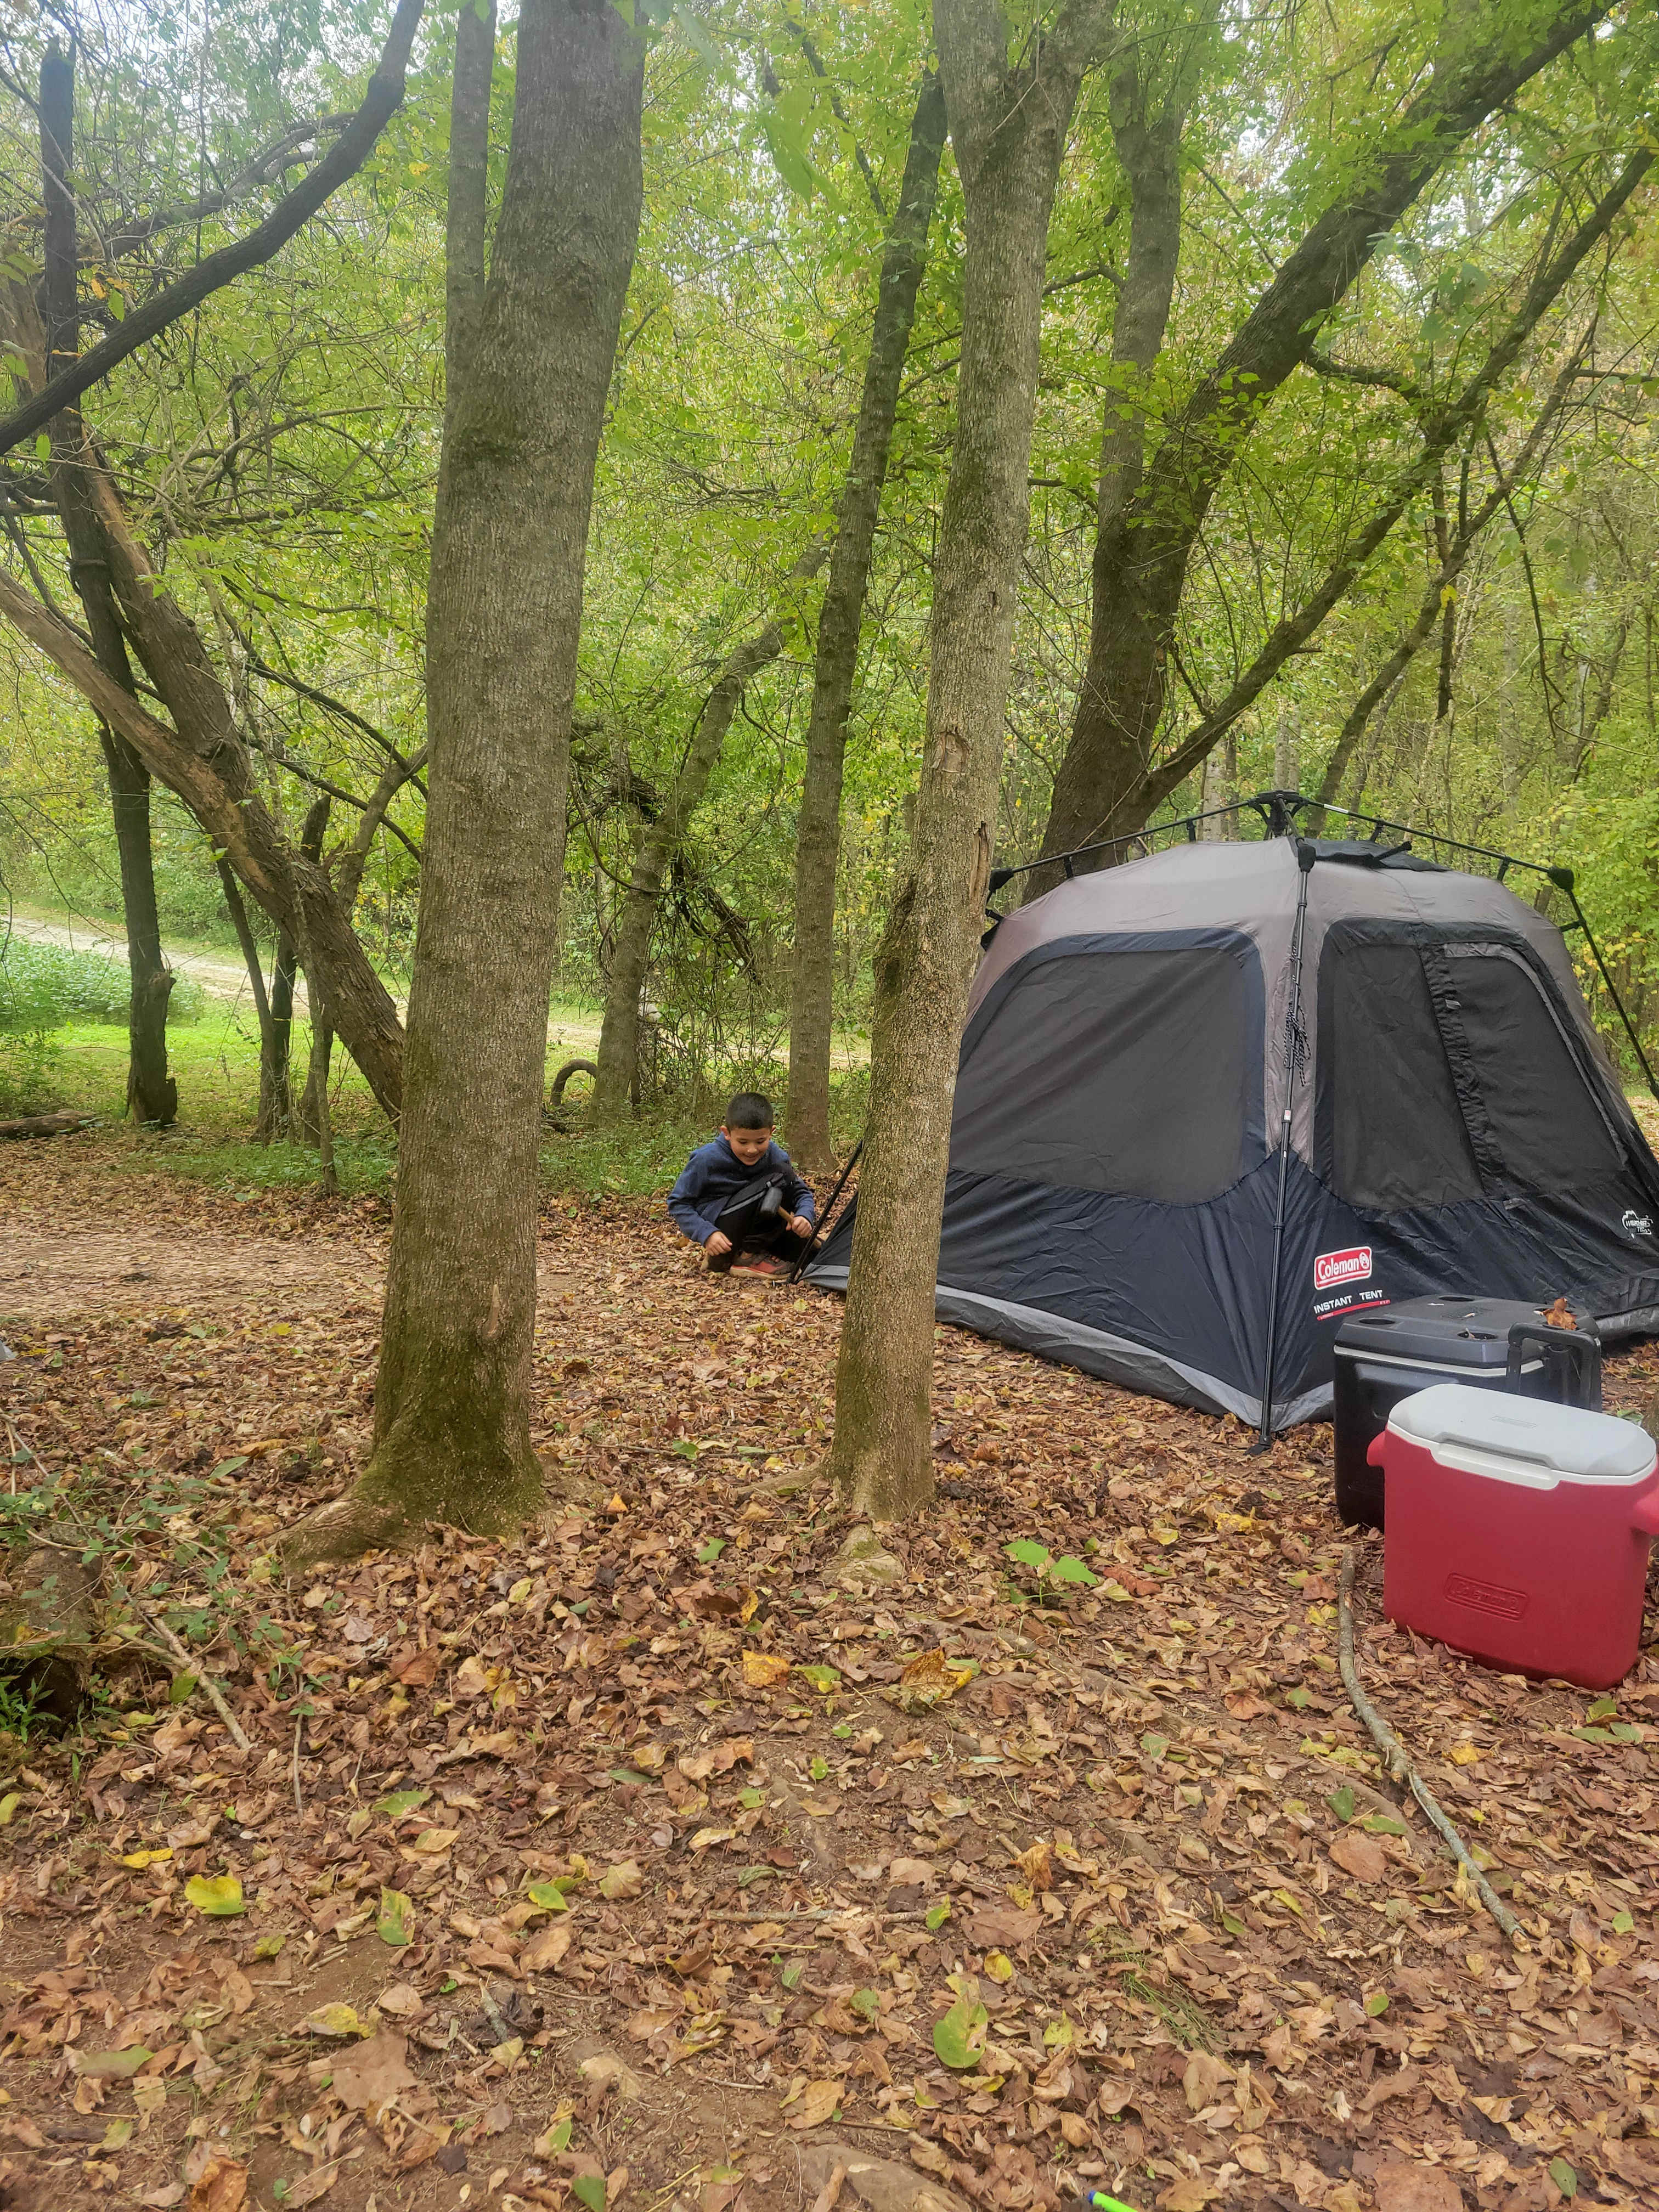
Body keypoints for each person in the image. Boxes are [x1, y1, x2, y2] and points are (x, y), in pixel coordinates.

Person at [668, 1092, 816, 1276]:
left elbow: (801, 1192)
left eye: (760, 1141)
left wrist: (805, 1215)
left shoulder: (775, 1155)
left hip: (760, 1226)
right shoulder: (705, 1159)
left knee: (814, 1255)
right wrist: (706, 1234)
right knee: (781, 1175)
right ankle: (746, 1256)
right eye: (743, 1142)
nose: (752, 1150)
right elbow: (679, 1203)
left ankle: (754, 1254)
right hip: (723, 1233)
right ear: (727, 1133)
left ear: (772, 1133)